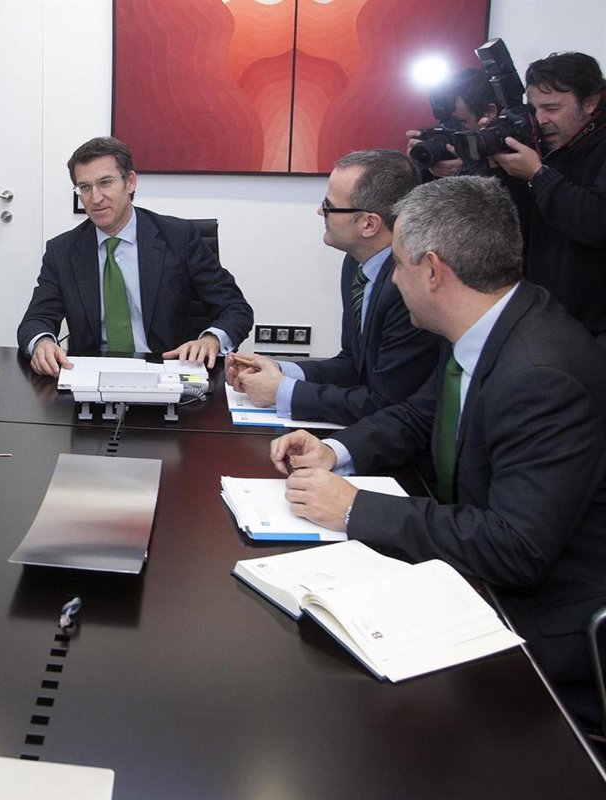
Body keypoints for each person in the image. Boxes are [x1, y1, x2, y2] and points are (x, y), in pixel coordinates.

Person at [269, 176, 606, 728]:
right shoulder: (489, 325)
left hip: (540, 628)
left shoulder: (542, 373)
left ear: (432, 270)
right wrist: (336, 449)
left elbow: (515, 548)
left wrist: (353, 508)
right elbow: (420, 413)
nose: (392, 279)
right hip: (474, 573)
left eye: (399, 265)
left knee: (334, 705)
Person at [225, 150, 441, 425]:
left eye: (329, 206)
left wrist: (282, 392)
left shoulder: (408, 286)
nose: (320, 211)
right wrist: (280, 370)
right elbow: (352, 364)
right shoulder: (356, 264)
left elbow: (386, 402)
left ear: (369, 224)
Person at [17, 136, 253, 377]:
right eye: (85, 187)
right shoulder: (62, 251)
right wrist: (42, 342)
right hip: (91, 376)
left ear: (129, 182)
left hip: (168, 372)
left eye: (105, 183)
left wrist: (211, 340)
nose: (95, 198)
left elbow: (236, 308)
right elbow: (35, 320)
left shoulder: (179, 238)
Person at [491, 51, 606, 342]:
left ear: (590, 102)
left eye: (551, 108)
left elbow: (596, 220)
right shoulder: (544, 147)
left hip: (593, 331)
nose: (540, 120)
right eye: (534, 108)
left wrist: (537, 174)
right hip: (542, 318)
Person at [405, 67, 500, 179]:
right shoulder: (452, 138)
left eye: (461, 122)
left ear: (490, 112)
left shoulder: (509, 143)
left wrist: (468, 171)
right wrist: (417, 166)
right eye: (449, 122)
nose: (455, 130)